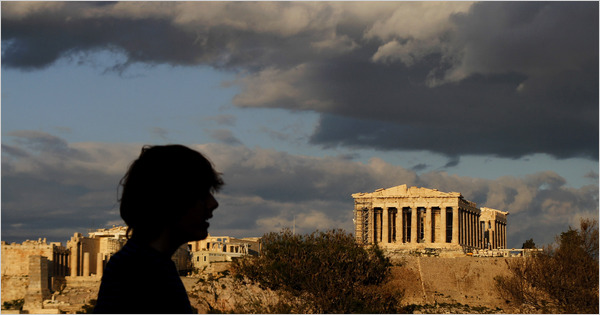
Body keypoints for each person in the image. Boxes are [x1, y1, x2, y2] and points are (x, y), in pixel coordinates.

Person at [94, 145, 223, 313]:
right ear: (170, 199)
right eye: (201, 194)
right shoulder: (139, 273)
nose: (213, 204)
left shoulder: (146, 265)